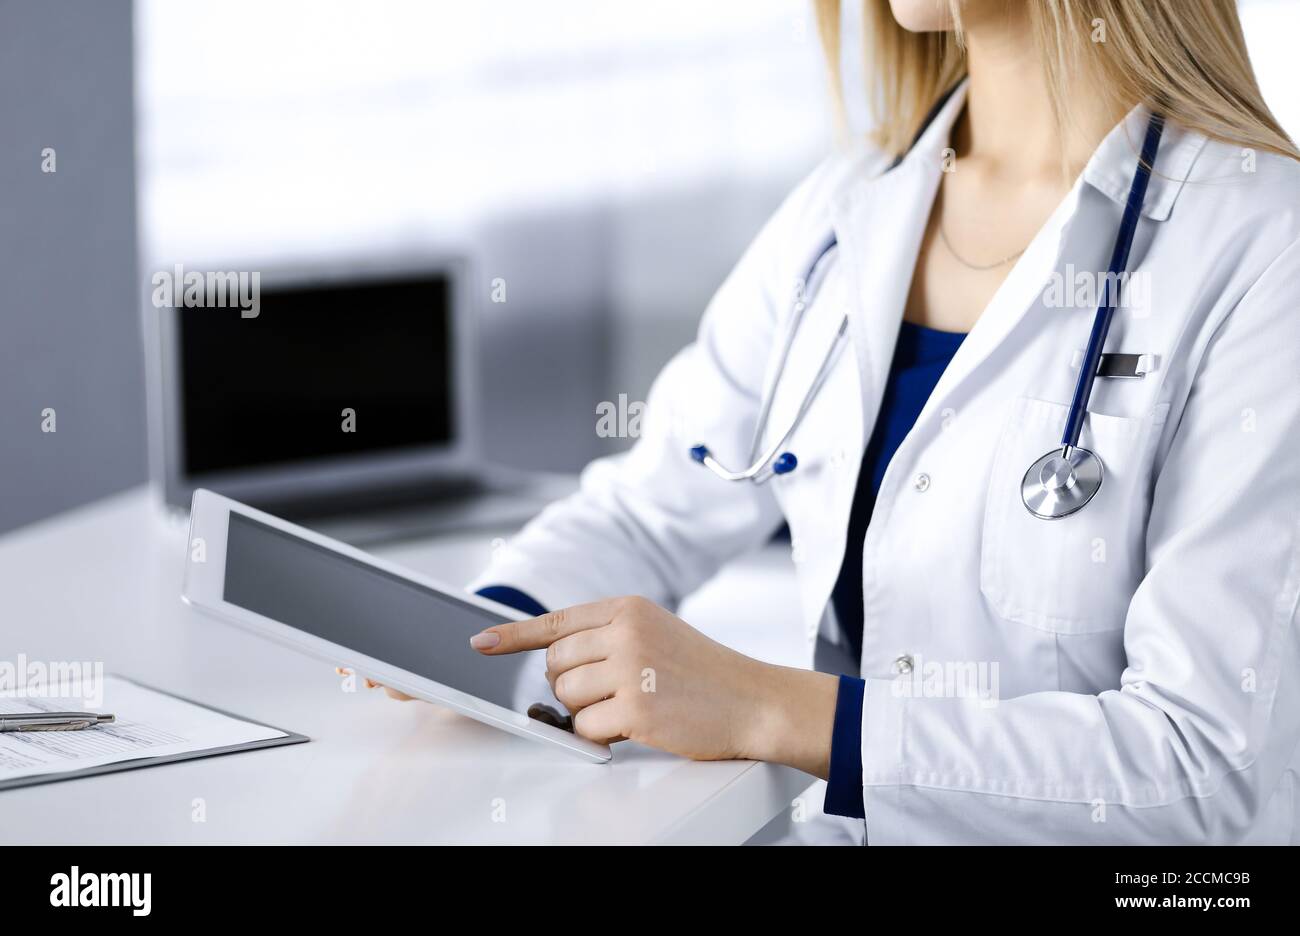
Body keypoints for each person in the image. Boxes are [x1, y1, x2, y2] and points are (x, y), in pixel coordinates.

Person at [396, 0, 1300, 844]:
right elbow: (650, 507)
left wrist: (771, 708)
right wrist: (473, 629)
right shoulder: (854, 204)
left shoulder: (1262, 241)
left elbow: (1201, 765)